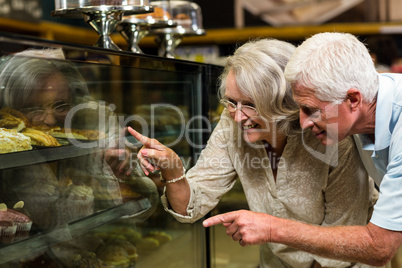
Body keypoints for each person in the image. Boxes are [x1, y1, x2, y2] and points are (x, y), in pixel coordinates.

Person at [128, 38, 377, 267]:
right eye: (231, 102)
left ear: (282, 102)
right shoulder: (231, 125)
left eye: (250, 104)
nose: (237, 116)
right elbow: (190, 205)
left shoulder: (332, 137)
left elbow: (345, 236)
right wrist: (173, 169)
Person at [203, 32, 402, 267]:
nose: (303, 122)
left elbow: (379, 246)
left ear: (353, 99)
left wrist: (270, 228)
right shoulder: (370, 98)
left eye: (310, 109)